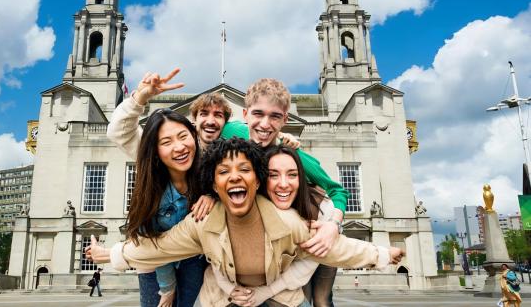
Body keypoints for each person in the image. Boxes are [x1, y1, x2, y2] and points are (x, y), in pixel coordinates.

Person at [86, 138, 404, 307]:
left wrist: (381, 255)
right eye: (223, 172)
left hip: (278, 295)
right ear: (214, 184)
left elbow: (336, 249)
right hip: (222, 296)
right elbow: (159, 248)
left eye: (244, 170)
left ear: (256, 181)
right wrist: (115, 255)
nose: (234, 176)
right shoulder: (202, 223)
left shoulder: (286, 222)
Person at [107, 68, 215, 307]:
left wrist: (211, 196)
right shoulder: (151, 171)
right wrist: (140, 98)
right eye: (166, 142)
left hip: (192, 259)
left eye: (183, 136)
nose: (179, 147)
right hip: (152, 260)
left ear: (194, 136)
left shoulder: (206, 165)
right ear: (155, 150)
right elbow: (118, 132)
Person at [220, 78, 349, 251]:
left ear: (285, 119)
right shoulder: (231, 131)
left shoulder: (294, 157)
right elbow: (199, 128)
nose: (265, 124)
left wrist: (334, 225)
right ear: (245, 114)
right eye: (258, 114)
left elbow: (337, 191)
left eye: (275, 116)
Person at [219, 145, 344, 307]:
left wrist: (265, 292)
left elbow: (305, 267)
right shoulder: (254, 201)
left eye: (292, 174)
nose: (283, 184)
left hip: (326, 246)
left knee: (322, 299)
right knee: (297, 295)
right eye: (273, 175)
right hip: (294, 256)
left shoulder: (323, 206)